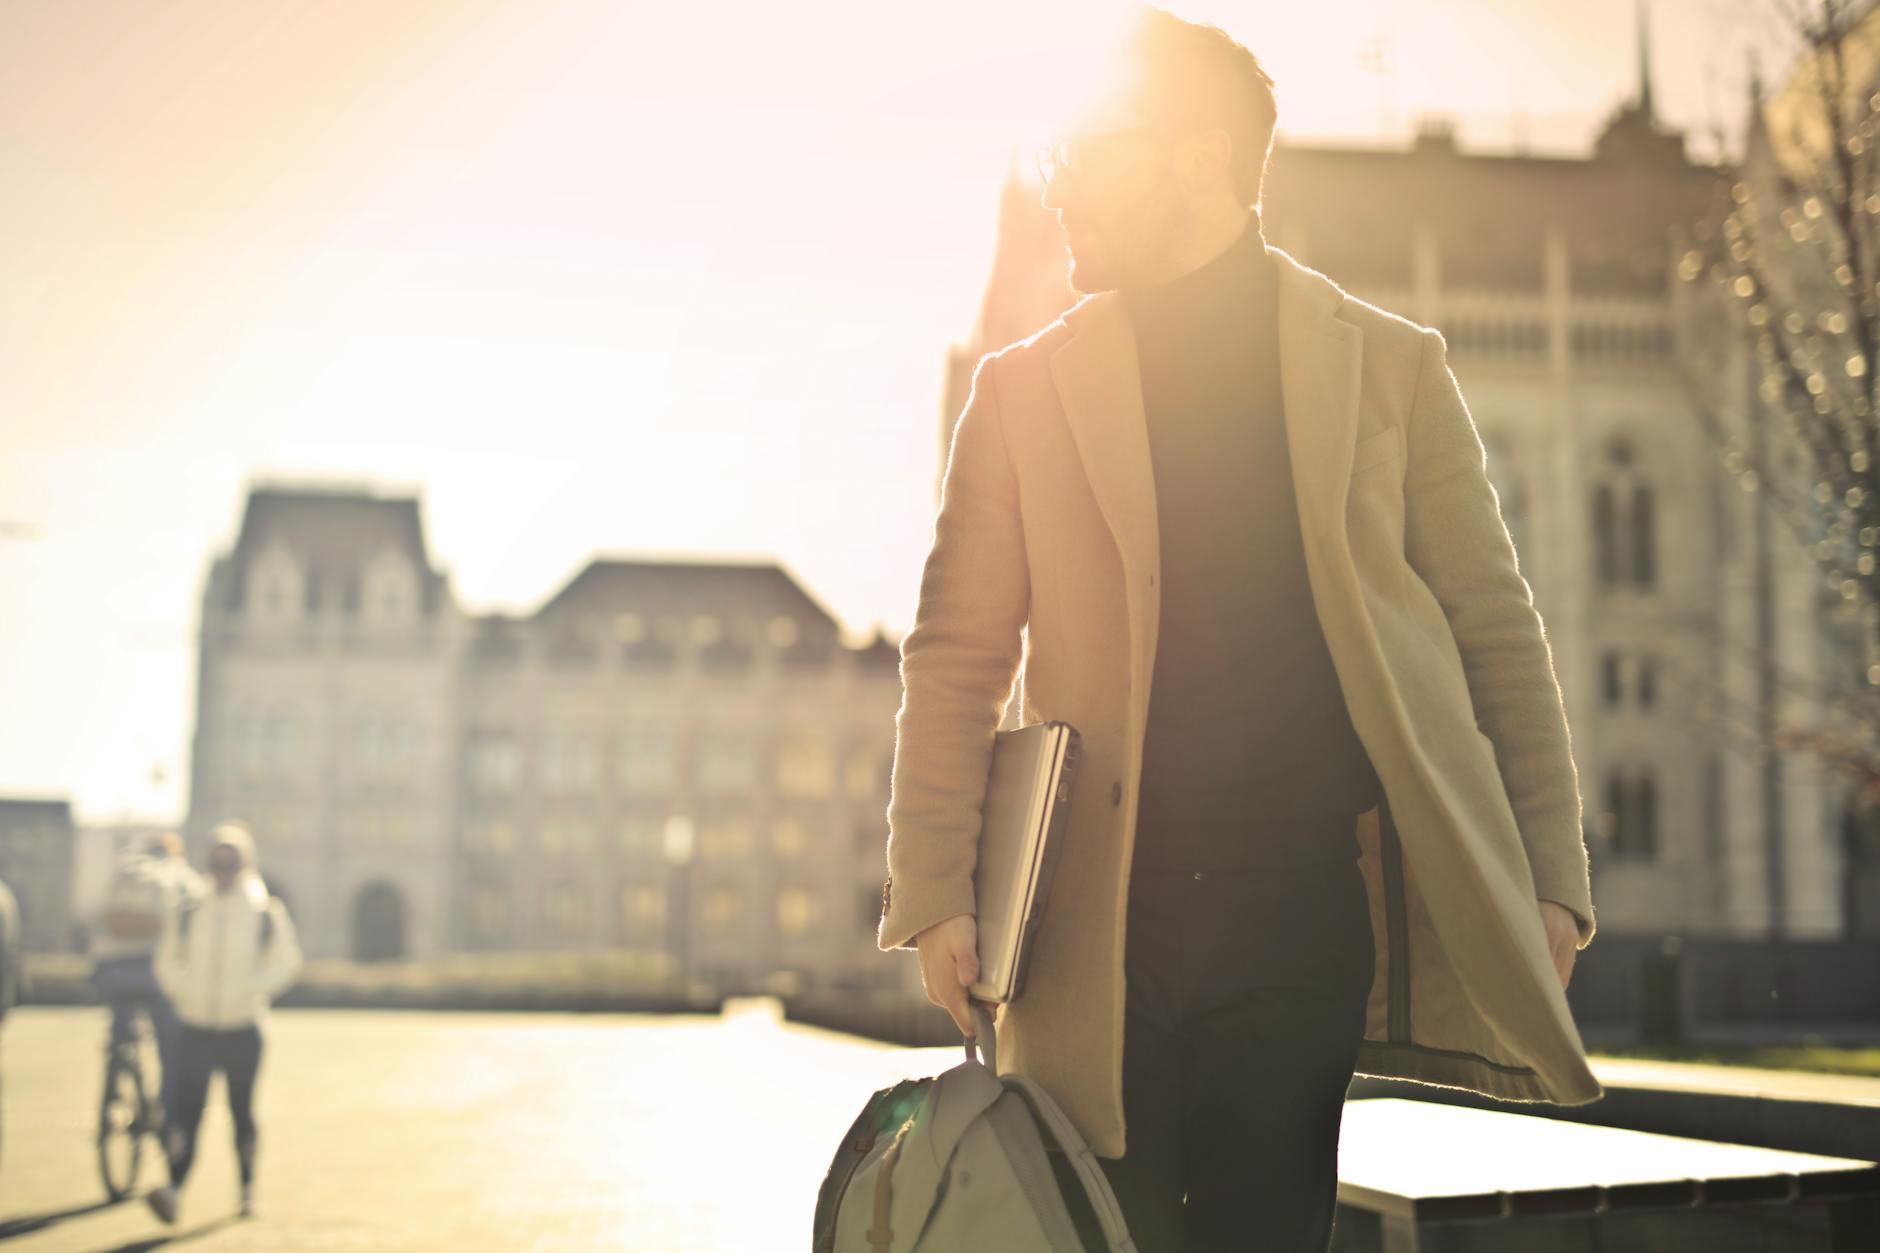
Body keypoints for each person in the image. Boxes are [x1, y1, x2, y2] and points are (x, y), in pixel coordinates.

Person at [876, 8, 1599, 1250]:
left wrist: (1551, 879)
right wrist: (937, 885)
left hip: (1298, 922)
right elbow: (953, 654)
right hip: (1095, 933)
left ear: (1197, 156)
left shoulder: (1392, 366)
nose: (1059, 188)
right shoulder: (1019, 390)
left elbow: (1495, 634)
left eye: (1084, 155)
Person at [146, 823, 302, 1225]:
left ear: (245, 863)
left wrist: (251, 990)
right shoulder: (190, 907)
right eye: (217, 861)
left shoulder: (265, 910)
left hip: (242, 1027)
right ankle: (175, 1189)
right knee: (186, 1113)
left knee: (241, 1111)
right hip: (195, 1025)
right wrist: (184, 992)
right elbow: (167, 959)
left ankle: (247, 1188)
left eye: (231, 862)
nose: (223, 869)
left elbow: (287, 961)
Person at [90, 833, 199, 1128]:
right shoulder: (182, 876)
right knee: (169, 1043)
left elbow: (98, 918)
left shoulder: (123, 873)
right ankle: (166, 1113)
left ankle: (114, 1087)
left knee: (121, 1029)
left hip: (112, 970)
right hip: (156, 972)